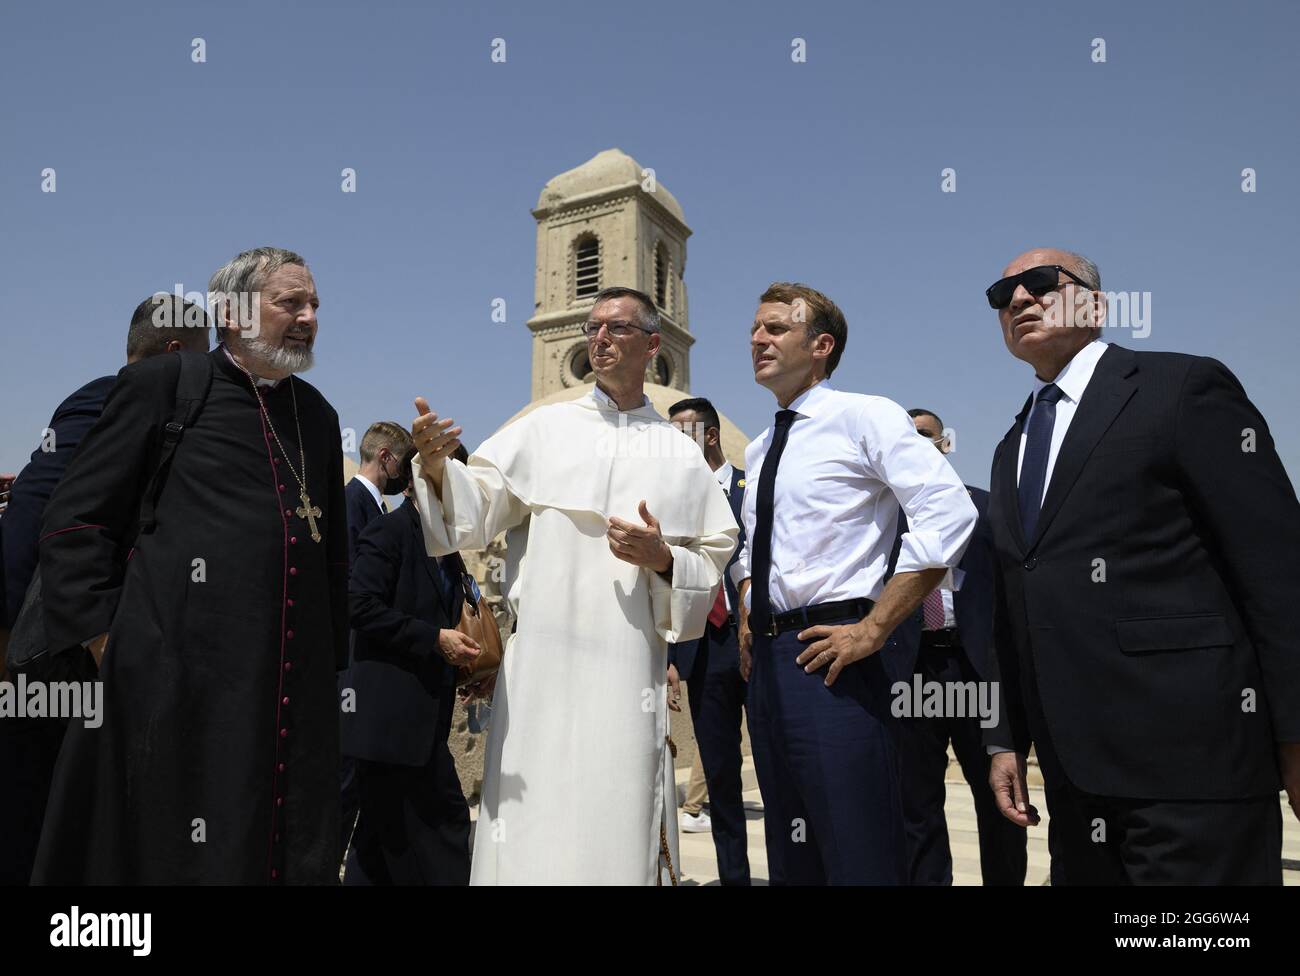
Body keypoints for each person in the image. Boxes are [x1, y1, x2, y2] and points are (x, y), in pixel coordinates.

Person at [984, 247, 1300, 884]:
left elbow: (1276, 568)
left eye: (1041, 283)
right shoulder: (1012, 446)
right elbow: (1016, 603)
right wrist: (1004, 737)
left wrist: (1296, 734)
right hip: (1076, 784)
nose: (1018, 300)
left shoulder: (1182, 388)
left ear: (1097, 306)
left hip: (1193, 771)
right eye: (1002, 293)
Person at [32, 247, 348, 884]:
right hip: (169, 683)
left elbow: (332, 555)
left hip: (285, 692)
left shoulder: (317, 415)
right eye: (291, 302)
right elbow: (76, 521)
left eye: (314, 304)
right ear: (231, 313)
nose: (310, 316)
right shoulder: (165, 386)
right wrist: (104, 641)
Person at [409, 286, 738, 884]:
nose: (600, 338)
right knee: (534, 810)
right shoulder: (543, 429)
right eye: (592, 328)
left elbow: (713, 557)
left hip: (627, 667)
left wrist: (663, 558)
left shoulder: (679, 454)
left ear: (653, 344)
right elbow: (475, 510)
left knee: (616, 804)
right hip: (541, 666)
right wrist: (436, 470)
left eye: (616, 328)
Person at [735, 282, 977, 884]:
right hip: (767, 664)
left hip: (836, 658)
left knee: (857, 847)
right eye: (755, 329)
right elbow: (761, 546)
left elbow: (949, 512)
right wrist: (747, 602)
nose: (756, 339)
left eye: (775, 328)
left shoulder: (865, 415)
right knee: (793, 853)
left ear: (821, 345)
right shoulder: (762, 446)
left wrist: (874, 627)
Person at [0, 293, 210, 886]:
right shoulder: (115, 398)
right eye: (202, 360)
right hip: (60, 664)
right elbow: (33, 522)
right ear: (172, 355)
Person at [892, 408, 1027, 886]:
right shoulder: (883, 518)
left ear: (945, 443)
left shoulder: (987, 509)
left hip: (977, 671)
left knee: (999, 800)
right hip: (912, 671)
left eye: (925, 435)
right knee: (916, 806)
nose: (917, 444)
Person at [342, 444, 478, 885]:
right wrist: (432, 639)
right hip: (387, 720)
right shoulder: (389, 533)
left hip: (424, 719)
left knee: (380, 841)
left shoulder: (447, 549)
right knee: (444, 825)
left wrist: (468, 667)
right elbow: (358, 604)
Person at [666, 396, 751, 885]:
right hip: (704, 651)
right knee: (720, 777)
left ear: (711, 436)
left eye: (684, 434)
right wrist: (673, 657)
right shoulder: (677, 506)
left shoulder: (751, 488)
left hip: (756, 643)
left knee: (784, 770)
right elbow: (671, 581)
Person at [339, 421, 415, 860]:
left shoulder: (370, 506)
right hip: (353, 663)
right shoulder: (354, 504)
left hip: (366, 663)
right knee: (345, 778)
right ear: (385, 457)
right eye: (402, 465)